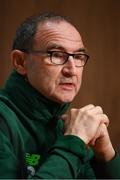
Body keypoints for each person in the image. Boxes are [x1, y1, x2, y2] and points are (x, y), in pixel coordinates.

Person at [0, 12, 120, 179]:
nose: (71, 70)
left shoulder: (68, 126)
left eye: (78, 57)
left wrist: (105, 157)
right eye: (56, 55)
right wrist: (73, 143)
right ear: (20, 62)